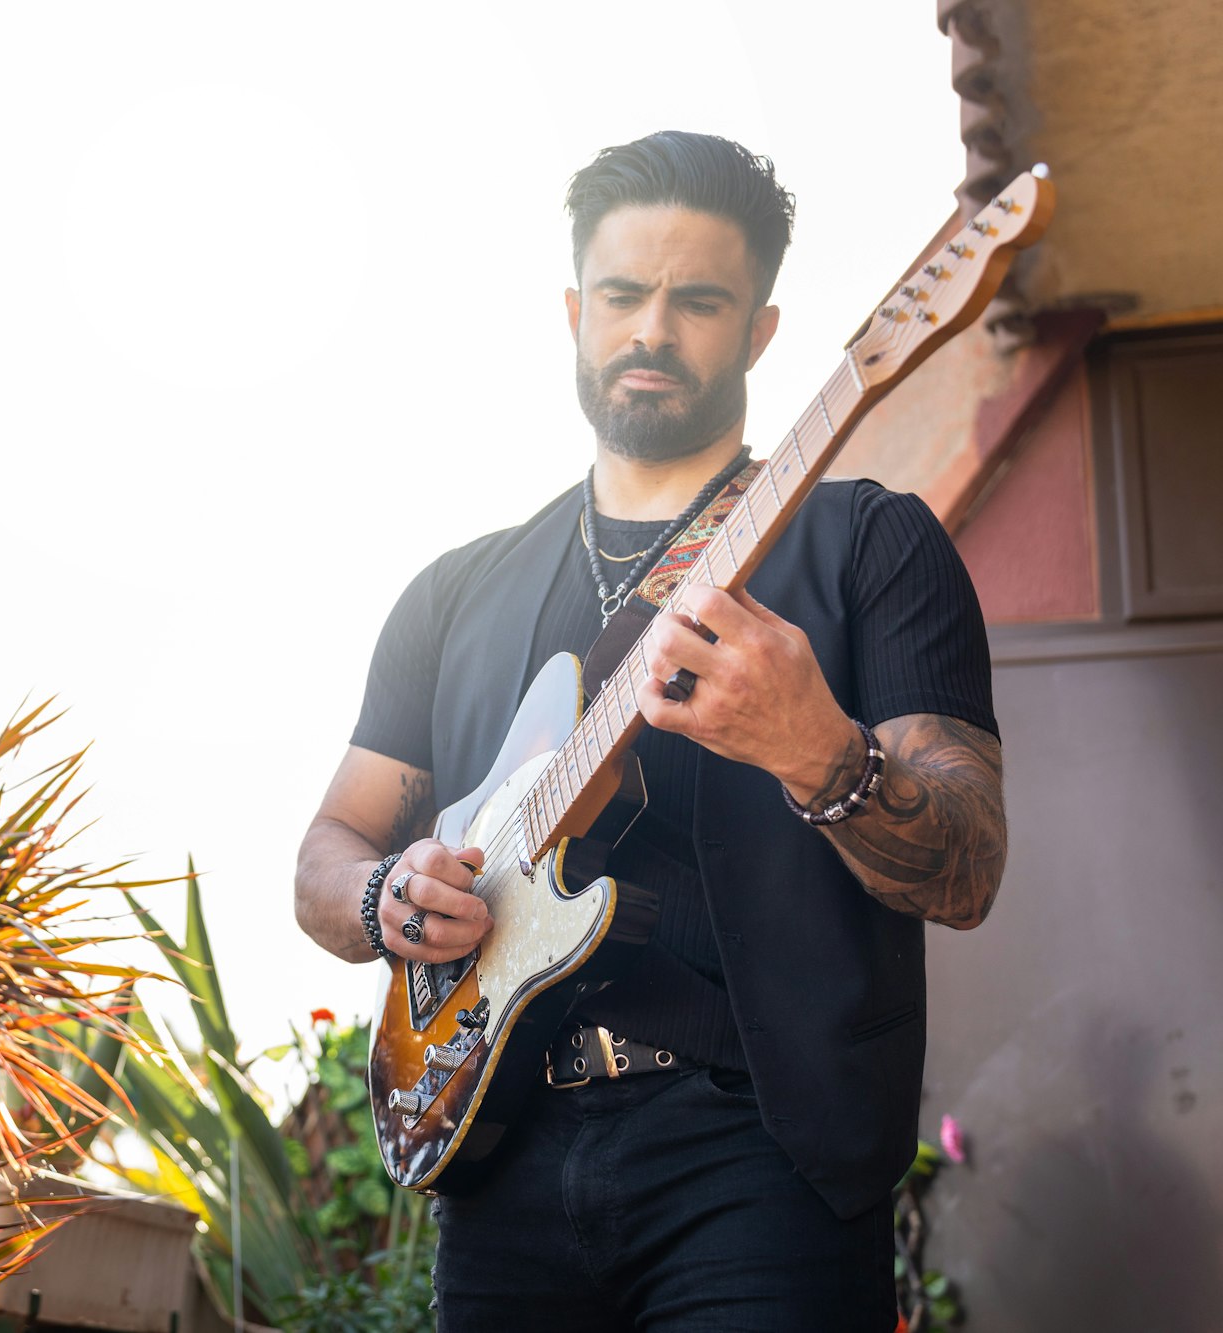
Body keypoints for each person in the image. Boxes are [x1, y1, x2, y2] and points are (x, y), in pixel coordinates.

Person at [291, 130, 1007, 1330]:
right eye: (622, 294)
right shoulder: (452, 593)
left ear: (762, 331)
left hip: (761, 1160)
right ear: (574, 308)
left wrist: (816, 752)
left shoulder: (869, 546)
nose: (651, 330)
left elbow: (969, 862)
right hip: (498, 1166)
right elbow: (327, 849)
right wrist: (384, 899)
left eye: (698, 300)